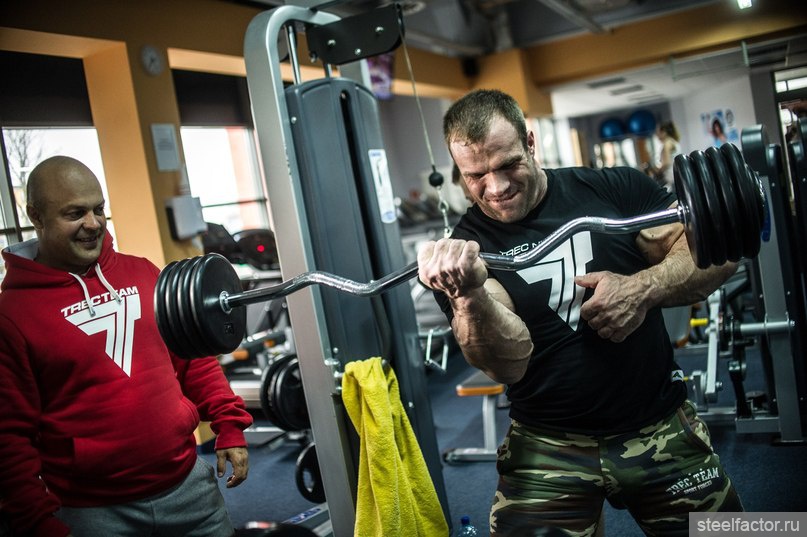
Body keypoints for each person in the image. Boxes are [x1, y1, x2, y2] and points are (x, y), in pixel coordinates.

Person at [416, 89, 743, 536]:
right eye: (476, 175)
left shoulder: (613, 190)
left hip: (658, 423)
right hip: (546, 444)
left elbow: (717, 255)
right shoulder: (465, 253)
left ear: (530, 142)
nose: (496, 187)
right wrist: (469, 294)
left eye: (508, 163)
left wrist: (641, 288)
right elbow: (508, 361)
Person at [0, 156, 253, 537]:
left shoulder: (144, 274)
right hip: (92, 513)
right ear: (36, 216)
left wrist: (229, 424)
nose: (93, 224)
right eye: (75, 213)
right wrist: (35, 520)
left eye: (98, 209)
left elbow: (193, 361)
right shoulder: (13, 315)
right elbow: (8, 434)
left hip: (189, 489)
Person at [648, 120, 681, 192]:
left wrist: (655, 170)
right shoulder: (673, 141)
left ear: (664, 132)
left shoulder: (667, 143)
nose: (657, 135)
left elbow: (666, 163)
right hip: (676, 178)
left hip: (672, 180)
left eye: (658, 132)